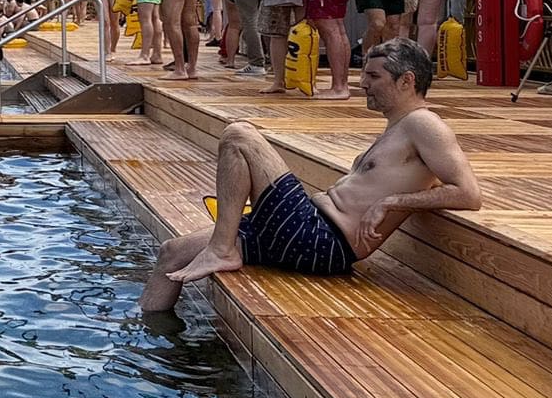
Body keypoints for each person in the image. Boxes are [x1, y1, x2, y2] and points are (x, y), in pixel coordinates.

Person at [142, 39, 481, 313]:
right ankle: (153, 349)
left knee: (239, 135)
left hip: (321, 239)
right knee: (172, 252)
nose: (363, 84)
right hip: (303, 232)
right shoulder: (398, 128)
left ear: (407, 80)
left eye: (374, 77)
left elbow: (468, 193)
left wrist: (393, 202)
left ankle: (221, 249)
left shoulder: (425, 124)